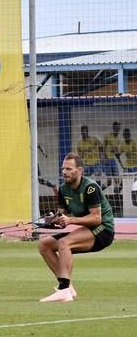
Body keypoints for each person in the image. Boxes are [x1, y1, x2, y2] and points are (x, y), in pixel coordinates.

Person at [38, 152, 114, 302]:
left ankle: (63, 290)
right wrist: (52, 219)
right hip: (87, 229)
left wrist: (70, 220)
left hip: (103, 229)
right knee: (44, 245)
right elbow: (62, 215)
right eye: (63, 169)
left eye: (69, 169)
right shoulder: (63, 189)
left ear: (80, 171)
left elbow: (96, 218)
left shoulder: (90, 188)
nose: (64, 172)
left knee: (64, 243)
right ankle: (68, 288)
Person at [101, 121, 122, 192]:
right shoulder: (108, 137)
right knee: (109, 182)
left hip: (112, 160)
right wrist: (104, 159)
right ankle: (99, 191)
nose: (117, 130)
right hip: (107, 160)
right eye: (116, 128)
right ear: (113, 128)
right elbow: (102, 149)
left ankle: (116, 196)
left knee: (117, 180)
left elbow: (116, 153)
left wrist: (120, 163)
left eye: (118, 128)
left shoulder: (118, 140)